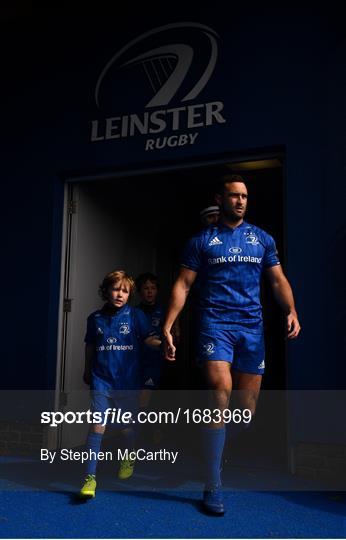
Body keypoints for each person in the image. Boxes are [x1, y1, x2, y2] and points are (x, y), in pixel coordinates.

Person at [162, 174, 301, 515]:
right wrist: (169, 324)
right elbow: (182, 284)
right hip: (215, 325)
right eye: (234, 195)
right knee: (219, 390)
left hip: (251, 328)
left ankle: (216, 446)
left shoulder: (262, 239)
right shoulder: (202, 241)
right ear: (220, 198)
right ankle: (212, 484)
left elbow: (278, 279)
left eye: (244, 196)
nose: (240, 200)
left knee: (244, 411)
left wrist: (292, 310)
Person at [79, 270, 160, 499]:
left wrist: (163, 343)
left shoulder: (136, 316)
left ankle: (129, 455)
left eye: (125, 291)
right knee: (97, 426)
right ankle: (89, 478)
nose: (120, 294)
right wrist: (86, 369)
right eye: (115, 289)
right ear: (105, 291)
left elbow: (148, 339)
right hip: (101, 379)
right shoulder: (94, 319)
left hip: (127, 381)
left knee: (125, 428)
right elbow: (90, 346)